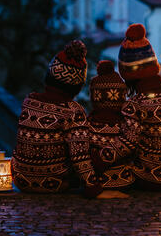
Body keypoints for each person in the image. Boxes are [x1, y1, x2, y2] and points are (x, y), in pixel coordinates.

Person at [93, 24, 161, 190]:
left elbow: (126, 144)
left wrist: (97, 160)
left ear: (128, 75)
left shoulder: (136, 104)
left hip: (151, 179)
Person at [11, 40, 102, 197]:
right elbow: (79, 157)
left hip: (21, 180)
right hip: (54, 184)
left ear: (50, 75)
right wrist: (93, 186)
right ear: (77, 85)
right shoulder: (73, 112)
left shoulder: (29, 101)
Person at [87, 60, 134, 192]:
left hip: (94, 183)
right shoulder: (127, 124)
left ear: (94, 97)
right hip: (124, 183)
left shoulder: (87, 125)